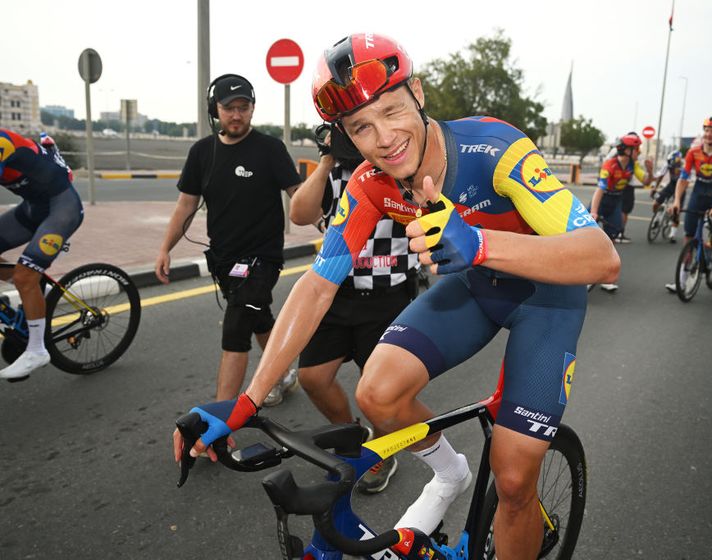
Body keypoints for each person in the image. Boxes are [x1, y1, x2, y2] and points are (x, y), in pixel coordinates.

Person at [174, 33, 619, 560]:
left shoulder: (493, 149)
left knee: (516, 480)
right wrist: (248, 400)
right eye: (361, 126)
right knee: (377, 393)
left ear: (419, 94)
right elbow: (317, 286)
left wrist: (478, 242)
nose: (384, 138)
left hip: (548, 296)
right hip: (475, 288)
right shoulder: (369, 184)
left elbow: (601, 256)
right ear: (345, 135)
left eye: (391, 111)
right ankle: (450, 473)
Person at [288, 124, 421, 493]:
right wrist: (328, 159)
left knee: (380, 390)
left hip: (387, 295)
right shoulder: (336, 173)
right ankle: (352, 437)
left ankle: (381, 452)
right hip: (337, 291)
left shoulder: (400, 168)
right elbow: (299, 213)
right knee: (313, 377)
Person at [155, 74, 301, 405]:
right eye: (228, 108)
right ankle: (283, 373)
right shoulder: (202, 153)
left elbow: (298, 195)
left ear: (252, 109)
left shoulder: (270, 149)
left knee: (236, 328)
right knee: (258, 316)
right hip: (224, 259)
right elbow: (186, 205)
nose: (236, 115)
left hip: (263, 258)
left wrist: (327, 217)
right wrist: (165, 249)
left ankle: (219, 423)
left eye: (243, 107)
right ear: (214, 109)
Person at [0, 128, 83, 380]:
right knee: (26, 278)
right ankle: (36, 294)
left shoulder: (2, 142)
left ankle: (36, 350)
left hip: (63, 209)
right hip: (32, 209)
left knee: (25, 277)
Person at [667, 116, 712, 304]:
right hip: (698, 192)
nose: (709, 134)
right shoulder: (693, 151)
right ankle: (680, 282)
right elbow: (683, 178)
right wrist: (677, 201)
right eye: (706, 130)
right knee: (689, 238)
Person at [589, 132, 651, 291]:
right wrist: (594, 212)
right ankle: (584, 271)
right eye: (637, 149)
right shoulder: (610, 164)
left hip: (616, 201)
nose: (640, 152)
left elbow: (646, 181)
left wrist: (650, 171)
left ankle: (605, 276)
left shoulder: (633, 165)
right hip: (602, 200)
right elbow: (600, 189)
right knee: (587, 235)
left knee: (612, 237)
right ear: (628, 150)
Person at [650, 149, 684, 242]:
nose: (673, 169)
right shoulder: (667, 164)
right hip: (671, 185)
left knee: (676, 210)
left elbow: (686, 182)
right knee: (655, 203)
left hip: (680, 187)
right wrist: (655, 188)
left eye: (675, 167)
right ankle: (657, 218)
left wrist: (676, 201)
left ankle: (672, 234)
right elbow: (660, 176)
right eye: (672, 167)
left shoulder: (684, 167)